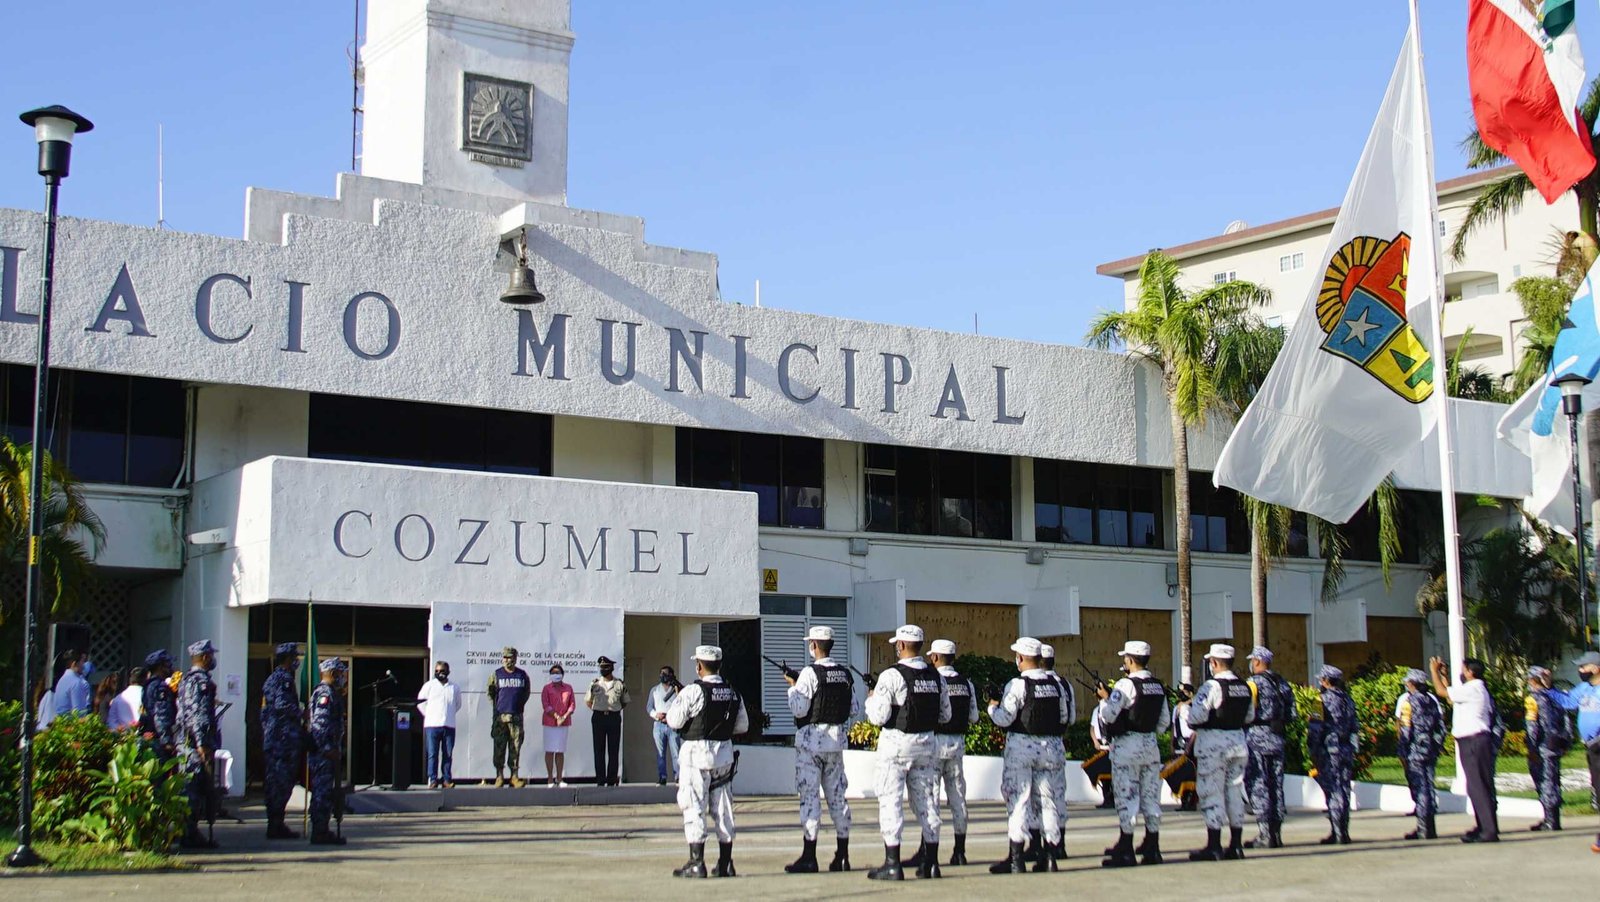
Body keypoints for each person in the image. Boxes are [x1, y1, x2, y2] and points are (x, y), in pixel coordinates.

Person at [865, 624, 951, 881]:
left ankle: (892, 863)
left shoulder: (892, 675)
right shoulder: (937, 676)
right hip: (927, 744)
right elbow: (945, 715)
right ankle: (932, 863)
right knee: (927, 801)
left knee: (890, 801)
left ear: (901, 646)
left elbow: (879, 717)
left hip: (896, 745)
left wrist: (871, 698)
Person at [666, 645, 749, 878]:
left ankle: (696, 862)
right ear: (719, 665)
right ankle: (726, 863)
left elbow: (674, 720)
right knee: (723, 809)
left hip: (696, 755)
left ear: (699, 666)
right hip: (723, 756)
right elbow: (742, 726)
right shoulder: (732, 692)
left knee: (694, 806)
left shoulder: (693, 691)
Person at [987, 636, 1067, 875]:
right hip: (1051, 748)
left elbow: (1005, 718)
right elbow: (1063, 717)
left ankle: (1016, 858)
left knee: (1019, 800)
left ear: (1020, 658)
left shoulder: (1018, 684)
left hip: (1022, 748)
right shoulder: (1056, 684)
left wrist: (992, 707)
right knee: (1048, 802)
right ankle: (1051, 857)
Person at [782, 625, 857, 874]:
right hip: (835, 743)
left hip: (811, 744)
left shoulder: (809, 673)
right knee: (837, 797)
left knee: (810, 797)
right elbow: (854, 708)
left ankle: (809, 856)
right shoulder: (845, 674)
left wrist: (793, 688)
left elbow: (799, 709)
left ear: (813, 645)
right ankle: (843, 855)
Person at [1096, 640, 1170, 868]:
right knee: (1150, 798)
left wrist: (1104, 700)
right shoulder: (1158, 685)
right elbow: (1164, 721)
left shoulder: (1125, 685)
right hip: (1150, 746)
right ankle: (1152, 847)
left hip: (1128, 746)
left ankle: (1127, 849)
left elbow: (1109, 715)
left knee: (1126, 798)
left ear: (1129, 660)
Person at [908, 637, 976, 870]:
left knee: (930, 799)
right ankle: (960, 851)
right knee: (957, 798)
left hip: (935, 745)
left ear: (935, 657)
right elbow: (974, 716)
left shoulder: (934, 680)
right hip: (957, 744)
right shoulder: (967, 683)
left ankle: (928, 852)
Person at [1186, 644, 1254, 862]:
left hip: (1214, 745)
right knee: (1234, 793)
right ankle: (1235, 845)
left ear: (1213, 663)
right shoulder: (1245, 686)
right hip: (1238, 742)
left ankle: (1214, 845)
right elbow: (1249, 717)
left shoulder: (1211, 686)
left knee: (1212, 792)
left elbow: (1195, 717)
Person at [1431, 656, 1499, 842]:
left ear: (1470, 672)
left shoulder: (1473, 688)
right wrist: (1445, 676)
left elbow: (1440, 691)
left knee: (1478, 786)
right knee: (1476, 786)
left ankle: (1489, 831)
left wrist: (1434, 671)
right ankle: (1484, 827)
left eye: (1463, 669)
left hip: (1474, 741)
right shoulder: (1473, 689)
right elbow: (1452, 699)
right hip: (1473, 741)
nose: (1461, 672)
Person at [1243, 646, 1295, 849]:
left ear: (1256, 661)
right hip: (1278, 737)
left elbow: (1246, 713)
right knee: (1276, 786)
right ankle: (1277, 834)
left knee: (1258, 785)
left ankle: (1265, 834)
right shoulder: (1282, 684)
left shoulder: (1253, 683)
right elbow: (1292, 714)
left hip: (1257, 738)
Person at [176, 639, 221, 850]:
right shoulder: (201, 681)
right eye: (211, 655)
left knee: (193, 789)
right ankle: (189, 834)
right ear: (204, 657)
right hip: (194, 745)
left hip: (186, 742)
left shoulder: (187, 679)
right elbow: (198, 715)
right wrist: (203, 743)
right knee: (192, 790)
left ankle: (190, 832)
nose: (213, 659)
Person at [1556, 650, 1600, 853]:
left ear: (1596, 668)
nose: (1580, 670)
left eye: (1583, 667)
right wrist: (1544, 689)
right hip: (1591, 747)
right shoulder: (1584, 688)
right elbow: (1567, 702)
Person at [1309, 665, 1358, 845]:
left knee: (1333, 791)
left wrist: (1313, 752)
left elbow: (1315, 730)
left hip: (1329, 751)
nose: (1320, 682)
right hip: (1346, 749)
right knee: (1344, 790)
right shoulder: (1349, 700)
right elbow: (1355, 728)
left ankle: (1337, 832)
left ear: (1326, 681)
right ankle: (1343, 831)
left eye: (1321, 680)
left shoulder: (1320, 701)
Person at [260, 641, 304, 839]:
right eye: (294, 657)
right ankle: (276, 823)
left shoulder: (271, 679)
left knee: (274, 782)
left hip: (274, 737)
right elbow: (282, 705)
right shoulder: (283, 679)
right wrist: (302, 713)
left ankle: (275, 822)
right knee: (282, 782)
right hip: (283, 740)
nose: (296, 661)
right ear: (288, 659)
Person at [1396, 668, 1444, 840]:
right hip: (1430, 750)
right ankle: (1431, 828)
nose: (1406, 685)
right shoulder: (1432, 702)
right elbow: (1441, 728)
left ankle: (1423, 829)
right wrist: (1436, 746)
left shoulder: (1409, 702)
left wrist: (1402, 751)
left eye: (1408, 682)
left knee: (1420, 788)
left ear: (1412, 684)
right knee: (1429, 787)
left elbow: (1406, 730)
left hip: (1415, 751)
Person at [1523, 665, 1571, 832]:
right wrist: (1565, 743)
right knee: (1554, 782)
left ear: (1532, 680)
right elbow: (1566, 722)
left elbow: (1532, 726)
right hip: (1555, 744)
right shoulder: (1556, 697)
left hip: (1542, 746)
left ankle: (1550, 820)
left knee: (1544, 783)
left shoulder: (1533, 699)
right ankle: (1554, 819)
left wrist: (1531, 748)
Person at [308, 657, 349, 845]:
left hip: (328, 751)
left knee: (326, 792)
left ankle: (322, 829)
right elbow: (320, 725)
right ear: (332, 674)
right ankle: (319, 831)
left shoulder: (330, 692)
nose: (343, 678)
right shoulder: (325, 693)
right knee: (321, 793)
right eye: (340, 674)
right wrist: (327, 749)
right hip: (323, 753)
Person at [486, 646, 532, 787]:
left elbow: (526, 694)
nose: (508, 660)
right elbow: (491, 694)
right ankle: (499, 776)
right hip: (500, 717)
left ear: (515, 658)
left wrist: (517, 707)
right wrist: (498, 709)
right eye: (505, 657)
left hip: (516, 717)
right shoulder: (496, 674)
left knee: (515, 747)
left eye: (510, 657)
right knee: (499, 747)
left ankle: (514, 776)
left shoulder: (522, 675)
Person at [417, 659, 462, 789]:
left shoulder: (454, 687)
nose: (439, 673)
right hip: (432, 725)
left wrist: (447, 714)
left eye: (442, 671)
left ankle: (447, 779)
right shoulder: (429, 686)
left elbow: (457, 704)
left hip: (449, 725)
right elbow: (420, 703)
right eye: (437, 671)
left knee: (448, 754)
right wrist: (430, 715)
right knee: (432, 754)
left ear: (448, 672)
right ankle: (433, 779)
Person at [587, 655, 630, 786]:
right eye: (601, 667)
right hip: (598, 717)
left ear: (611, 668)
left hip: (613, 718)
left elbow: (624, 702)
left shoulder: (619, 684)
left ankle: (611, 780)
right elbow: (588, 701)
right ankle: (600, 780)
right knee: (598, 750)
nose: (603, 669)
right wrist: (600, 709)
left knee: (613, 750)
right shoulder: (594, 683)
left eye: (606, 667)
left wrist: (613, 709)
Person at [1164, 683, 1198, 811]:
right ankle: (1183, 800)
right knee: (1178, 773)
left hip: (1190, 742)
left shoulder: (1192, 707)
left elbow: (1195, 729)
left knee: (1189, 773)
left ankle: (1191, 801)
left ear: (1190, 693)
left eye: (1184, 692)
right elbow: (1174, 726)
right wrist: (1172, 742)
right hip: (1179, 742)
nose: (1181, 694)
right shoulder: (1176, 708)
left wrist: (1190, 745)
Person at [648, 665, 684, 786]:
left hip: (673, 724)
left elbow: (682, 705)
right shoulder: (654, 690)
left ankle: (678, 777)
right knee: (660, 753)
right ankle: (662, 777)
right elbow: (649, 707)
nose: (662, 676)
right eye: (661, 673)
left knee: (676, 752)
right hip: (659, 725)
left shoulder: (677, 689)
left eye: (665, 673)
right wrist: (656, 715)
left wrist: (679, 693)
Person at [141, 649, 179, 764]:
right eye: (168, 664)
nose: (171, 667)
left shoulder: (148, 685)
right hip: (158, 741)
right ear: (161, 667)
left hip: (150, 737)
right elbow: (161, 714)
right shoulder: (160, 687)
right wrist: (167, 742)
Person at [542, 664, 575, 786]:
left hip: (564, 723)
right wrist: (556, 717)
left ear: (562, 674)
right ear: (550, 675)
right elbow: (546, 705)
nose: (556, 675)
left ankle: (559, 778)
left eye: (558, 673)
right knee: (550, 750)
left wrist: (564, 716)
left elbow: (572, 705)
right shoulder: (546, 688)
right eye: (553, 673)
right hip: (550, 723)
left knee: (560, 751)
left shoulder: (568, 688)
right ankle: (550, 778)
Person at [53, 648, 92, 717]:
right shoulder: (76, 682)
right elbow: (79, 713)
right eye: (82, 662)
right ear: (74, 663)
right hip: (71, 724)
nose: (83, 666)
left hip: (60, 722)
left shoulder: (61, 680)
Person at [109, 667, 146, 732]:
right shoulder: (146, 696)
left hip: (123, 737)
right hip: (144, 736)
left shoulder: (118, 698)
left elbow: (111, 722)